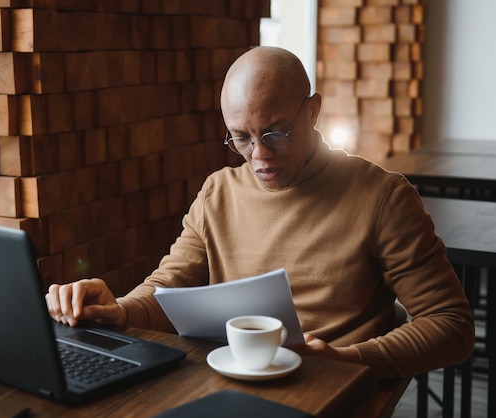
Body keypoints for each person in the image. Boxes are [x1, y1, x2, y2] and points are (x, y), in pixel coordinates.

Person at [46, 46, 474, 380]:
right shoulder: (219, 192)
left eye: (275, 132)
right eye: (242, 138)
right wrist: (120, 309)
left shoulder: (383, 197)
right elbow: (168, 286)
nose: (260, 155)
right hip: (225, 379)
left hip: (333, 386)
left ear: (313, 110)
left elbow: (452, 325)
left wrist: (353, 360)